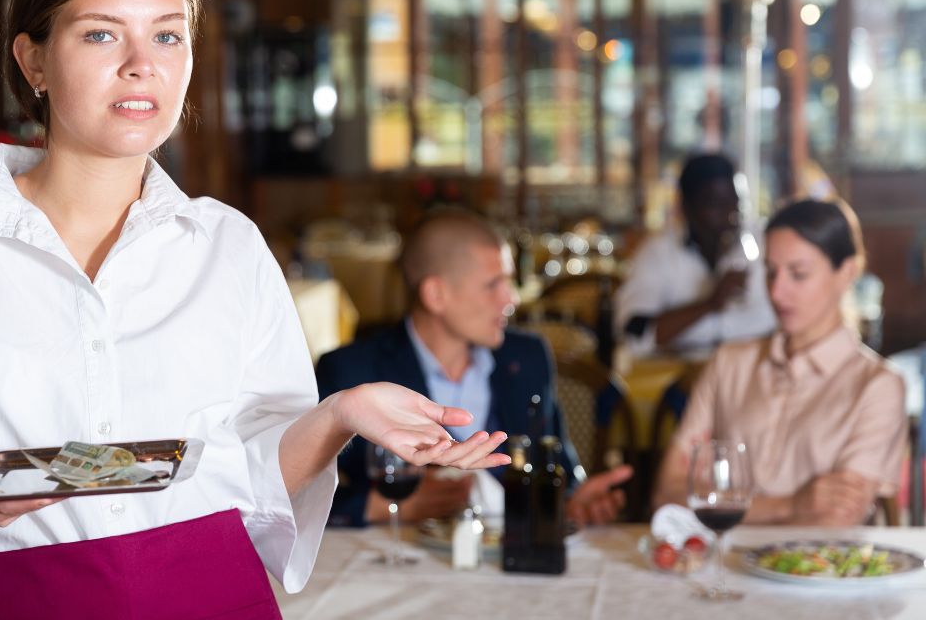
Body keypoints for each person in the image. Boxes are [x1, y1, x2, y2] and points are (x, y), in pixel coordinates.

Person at [0, 0, 508, 620]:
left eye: (167, 34)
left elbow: (254, 479)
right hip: (29, 601)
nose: (143, 63)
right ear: (33, 60)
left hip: (219, 595)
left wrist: (340, 414)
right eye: (101, 33)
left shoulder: (227, 244)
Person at [316, 209, 633, 528]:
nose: (510, 299)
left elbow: (559, 466)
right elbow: (290, 495)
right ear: (436, 294)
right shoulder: (351, 371)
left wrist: (573, 502)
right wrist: (378, 507)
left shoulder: (527, 357)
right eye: (494, 284)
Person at [653, 199, 907, 525]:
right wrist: (792, 506)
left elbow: (834, 518)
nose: (776, 291)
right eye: (770, 273)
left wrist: (717, 502)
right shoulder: (729, 363)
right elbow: (667, 495)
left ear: (847, 272)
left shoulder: (876, 386)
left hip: (816, 572)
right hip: (720, 567)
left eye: (798, 274)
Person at [615, 153, 776, 359]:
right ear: (686, 208)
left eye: (734, 204)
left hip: (754, 370)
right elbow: (636, 333)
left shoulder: (762, 243)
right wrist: (710, 303)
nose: (729, 215)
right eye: (716, 205)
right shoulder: (658, 253)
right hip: (680, 378)